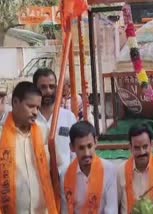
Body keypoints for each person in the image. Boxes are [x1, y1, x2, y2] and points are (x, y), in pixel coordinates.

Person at [0, 81, 57, 213]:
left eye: (38, 107)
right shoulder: (1, 134)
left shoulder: (44, 132)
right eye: (30, 106)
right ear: (15, 102)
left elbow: (55, 169)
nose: (35, 112)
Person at [60, 121, 117, 213]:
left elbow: (111, 210)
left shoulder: (109, 170)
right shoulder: (65, 175)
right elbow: (65, 210)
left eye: (89, 146)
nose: (87, 153)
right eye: (81, 148)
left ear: (96, 142)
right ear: (72, 148)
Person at [117, 123, 153, 214]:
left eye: (145, 146)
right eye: (137, 148)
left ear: (151, 145)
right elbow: (115, 206)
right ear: (130, 148)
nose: (142, 152)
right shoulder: (120, 172)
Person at [33, 68, 77, 172]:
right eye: (43, 87)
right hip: (39, 180)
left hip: (65, 181)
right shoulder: (30, 119)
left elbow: (75, 153)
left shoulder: (68, 117)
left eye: (51, 87)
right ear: (35, 89)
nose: (48, 91)